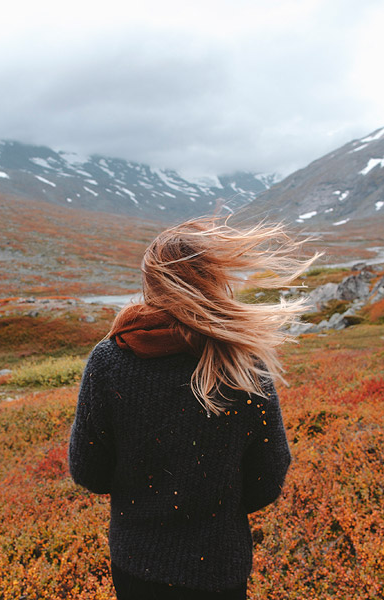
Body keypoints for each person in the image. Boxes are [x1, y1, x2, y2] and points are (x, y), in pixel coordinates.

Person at [69, 217, 318, 599]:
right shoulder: (244, 364)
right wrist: (213, 509)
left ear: (151, 283)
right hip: (220, 569)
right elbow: (269, 477)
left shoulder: (109, 361)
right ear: (214, 279)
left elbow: (89, 472)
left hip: (137, 566)